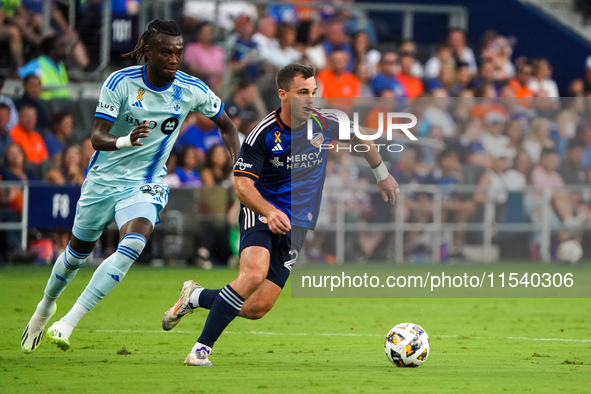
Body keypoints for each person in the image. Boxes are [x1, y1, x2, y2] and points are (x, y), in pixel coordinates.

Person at [21, 19, 240, 354]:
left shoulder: (190, 89)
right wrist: (125, 140)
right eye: (165, 51)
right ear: (148, 52)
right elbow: (96, 137)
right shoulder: (120, 83)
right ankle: (45, 307)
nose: (173, 58)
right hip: (103, 181)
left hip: (147, 182)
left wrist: (239, 165)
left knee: (132, 245)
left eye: (178, 52)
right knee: (76, 255)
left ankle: (67, 323)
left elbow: (226, 124)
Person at [161, 63, 399, 366]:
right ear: (283, 94)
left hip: (296, 222)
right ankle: (200, 350)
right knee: (253, 274)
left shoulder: (325, 123)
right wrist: (269, 211)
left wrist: (382, 174)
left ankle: (194, 297)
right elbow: (242, 185)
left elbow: (363, 139)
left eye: (314, 92)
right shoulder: (262, 134)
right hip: (261, 208)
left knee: (256, 307)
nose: (311, 99)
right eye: (303, 92)